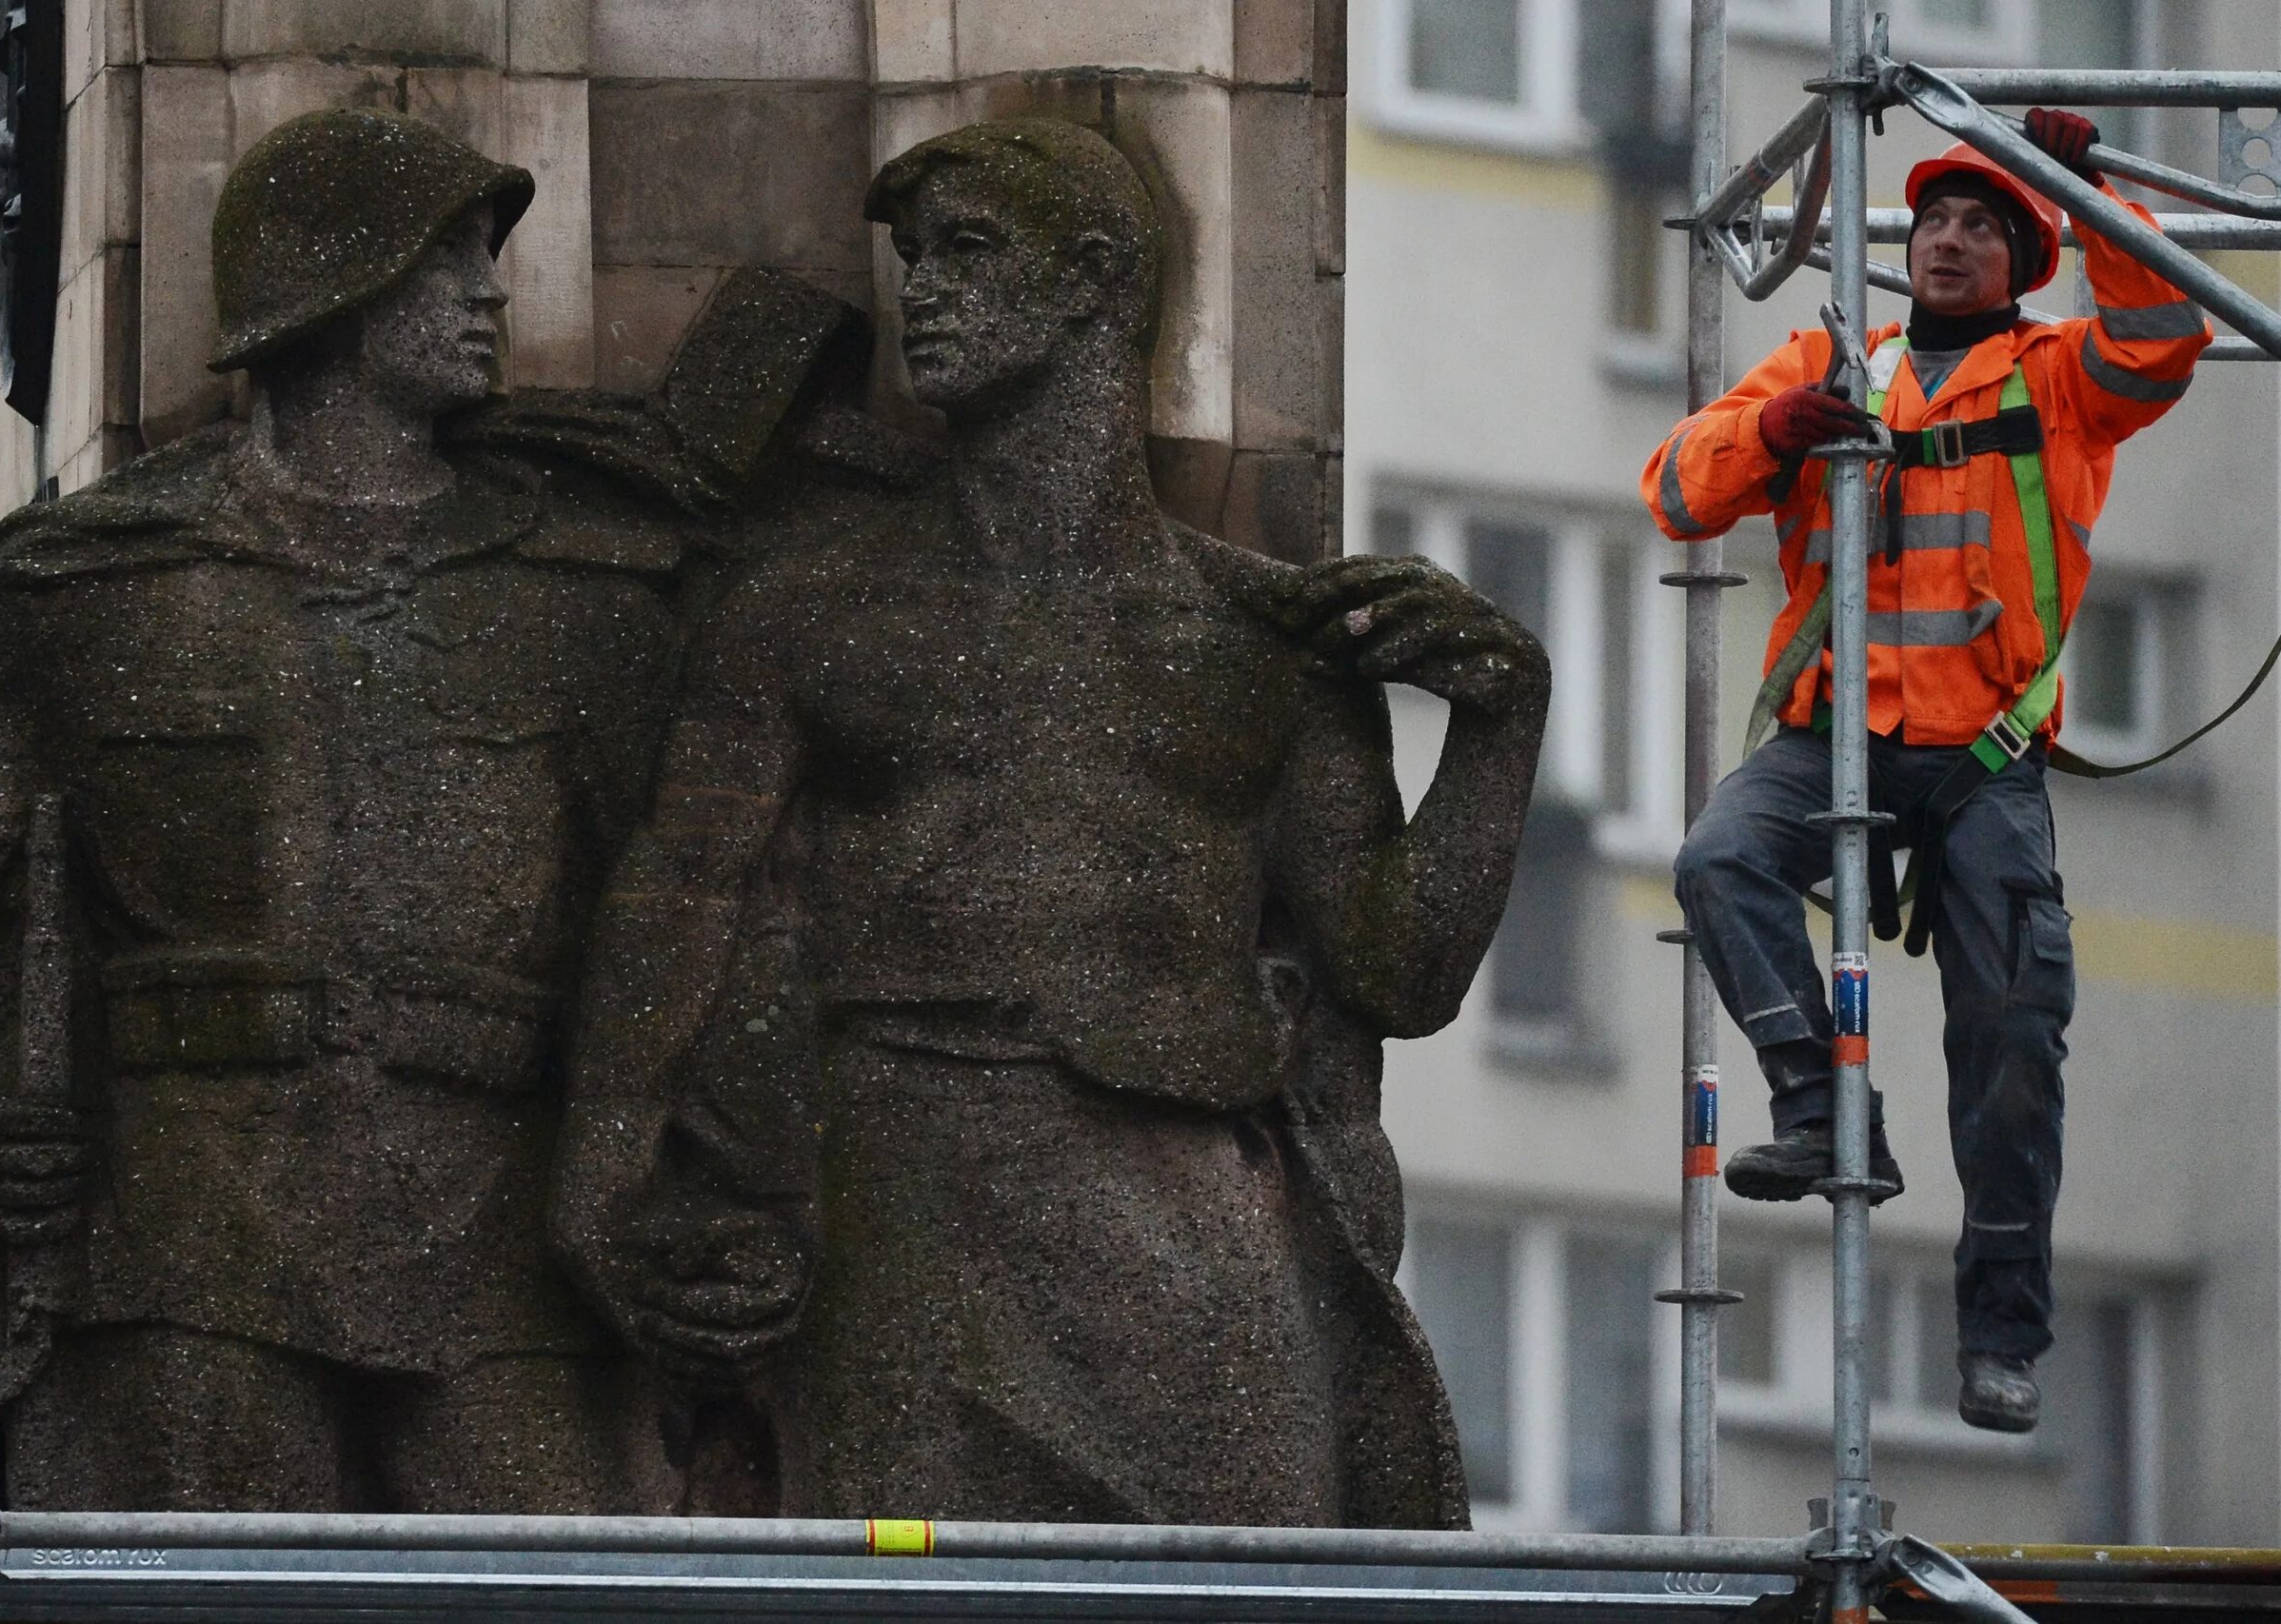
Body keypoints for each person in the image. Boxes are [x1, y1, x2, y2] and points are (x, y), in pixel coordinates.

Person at [551, 118, 1549, 1523]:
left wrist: (1503, 728)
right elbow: (681, 897)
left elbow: (1397, 972)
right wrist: (603, 1172)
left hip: (1190, 1198)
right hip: (911, 1188)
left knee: (1237, 1594)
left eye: (968, 252)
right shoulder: (808, 608)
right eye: (912, 261)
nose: (924, 296)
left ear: (1090, 282)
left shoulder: (1255, 638)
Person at [0, 109, 703, 1510]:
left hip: (502, 1251)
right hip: (186, 1244)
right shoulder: (83, 590)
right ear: (337, 288)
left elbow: (695, 918)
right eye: (448, 264)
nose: (491, 297)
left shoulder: (589, 591)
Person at [1646, 109, 2211, 1433]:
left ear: (2027, 259)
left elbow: (2162, 341)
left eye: (1984, 227)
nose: (1951, 241)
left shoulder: (2063, 379)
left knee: (2013, 1038)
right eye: (1937, 222)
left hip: (1983, 762)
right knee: (1721, 858)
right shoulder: (1834, 365)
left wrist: (2095, 182)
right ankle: (1826, 1108)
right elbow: (1676, 490)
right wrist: (1780, 430)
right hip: (1832, 730)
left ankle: (2001, 1338)